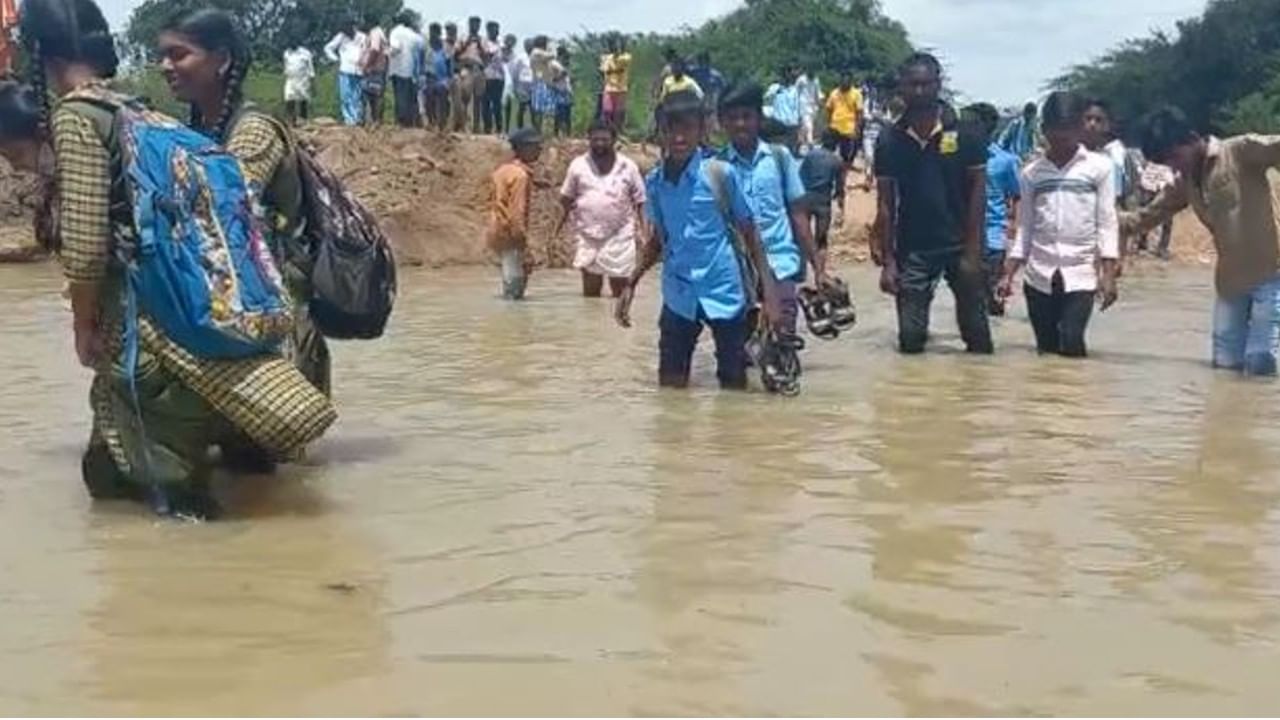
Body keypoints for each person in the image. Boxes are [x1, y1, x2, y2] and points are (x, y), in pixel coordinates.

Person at [22, 0, 334, 518]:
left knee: (170, 479)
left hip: (159, 315)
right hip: (211, 303)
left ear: (39, 51)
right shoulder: (135, 109)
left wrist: (82, 324)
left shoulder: (78, 116)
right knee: (197, 456)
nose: (166, 66)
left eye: (178, 54)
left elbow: (84, 246)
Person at [160, 7, 333, 404]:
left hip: (277, 314)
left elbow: (218, 211)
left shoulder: (253, 131)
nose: (165, 66)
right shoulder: (199, 131)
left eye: (178, 54)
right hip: (237, 313)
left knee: (276, 454)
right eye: (163, 56)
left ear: (220, 60)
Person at [614, 91, 780, 390]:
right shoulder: (654, 182)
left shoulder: (720, 174)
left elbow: (751, 234)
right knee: (670, 388)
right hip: (679, 294)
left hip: (724, 291)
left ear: (701, 130)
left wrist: (770, 294)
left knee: (733, 386)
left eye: (687, 128)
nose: (678, 137)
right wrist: (631, 282)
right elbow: (658, 241)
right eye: (670, 130)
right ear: (660, 133)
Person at [1124, 107, 1280, 377]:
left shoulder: (1240, 151)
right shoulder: (1186, 182)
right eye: (1166, 162)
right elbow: (1147, 216)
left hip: (1272, 275)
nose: (1174, 166)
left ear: (1192, 138)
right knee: (1224, 367)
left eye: (1174, 156)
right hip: (1230, 283)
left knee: (1261, 363)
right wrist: (1100, 220)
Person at [873, 52, 993, 355]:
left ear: (938, 85)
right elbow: (885, 204)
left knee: (977, 337)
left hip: (959, 244)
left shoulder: (967, 133)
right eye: (912, 84)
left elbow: (978, 192)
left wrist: (974, 251)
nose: (919, 91)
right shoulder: (889, 140)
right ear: (901, 87)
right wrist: (888, 261)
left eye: (926, 84)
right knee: (911, 341)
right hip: (912, 249)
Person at [719, 83, 828, 394]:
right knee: (737, 363)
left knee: (780, 359)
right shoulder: (715, 167)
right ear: (722, 122)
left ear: (758, 118)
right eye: (733, 117)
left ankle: (784, 435)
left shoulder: (780, 160)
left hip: (780, 265)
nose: (741, 124)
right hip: (736, 274)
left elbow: (798, 216)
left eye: (747, 116)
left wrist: (818, 269)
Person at [999, 91, 1120, 358]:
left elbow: (1107, 223)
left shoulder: (1100, 168)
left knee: (1072, 341)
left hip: (1081, 273)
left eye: (1067, 132)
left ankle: (1073, 398)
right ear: (1043, 130)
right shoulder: (1032, 173)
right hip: (1039, 274)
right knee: (1046, 348)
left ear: (1079, 128)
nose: (1061, 140)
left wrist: (1108, 274)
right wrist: (1008, 273)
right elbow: (1026, 227)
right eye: (1054, 133)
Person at [556, 119, 646, 297]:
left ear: (614, 140)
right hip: (588, 235)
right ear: (588, 140)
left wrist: (644, 232)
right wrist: (555, 233)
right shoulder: (578, 166)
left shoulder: (628, 167)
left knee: (620, 292)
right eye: (595, 139)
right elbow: (565, 200)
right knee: (590, 295)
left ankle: (615, 324)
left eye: (604, 140)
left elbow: (641, 202)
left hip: (620, 235)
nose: (599, 144)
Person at [964, 102, 1021, 316]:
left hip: (994, 236)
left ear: (988, 125)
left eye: (972, 123)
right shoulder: (959, 157)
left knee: (994, 300)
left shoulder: (1005, 161)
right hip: (965, 235)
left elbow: (1017, 195)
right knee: (969, 299)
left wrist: (1014, 226)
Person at [488, 128, 542, 300]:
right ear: (523, 148)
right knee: (514, 292)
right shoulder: (521, 176)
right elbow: (517, 214)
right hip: (512, 235)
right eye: (536, 146)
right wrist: (524, 246)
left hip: (497, 231)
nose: (540, 150)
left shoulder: (502, 171)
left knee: (509, 281)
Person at [799, 130, 846, 271]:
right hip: (823, 201)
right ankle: (820, 274)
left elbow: (801, 175)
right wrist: (841, 204)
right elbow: (839, 187)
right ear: (836, 144)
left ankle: (801, 271)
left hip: (806, 198)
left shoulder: (811, 155)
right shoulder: (837, 161)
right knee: (821, 241)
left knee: (802, 236)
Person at [324, 19, 366, 126]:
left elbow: (366, 51)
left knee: (357, 96)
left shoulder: (362, 37)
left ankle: (357, 119)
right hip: (345, 70)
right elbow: (328, 48)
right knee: (346, 96)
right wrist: (336, 59)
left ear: (354, 26)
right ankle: (349, 120)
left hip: (358, 70)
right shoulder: (341, 37)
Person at [387, 12, 423, 128]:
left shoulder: (395, 32)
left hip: (398, 69)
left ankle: (401, 122)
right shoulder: (413, 34)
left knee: (400, 97)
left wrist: (387, 53)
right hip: (411, 70)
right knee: (410, 98)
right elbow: (421, 45)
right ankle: (412, 122)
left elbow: (396, 47)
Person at [1137, 155, 1176, 258]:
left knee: (1165, 219)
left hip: (1158, 186)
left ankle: (1160, 247)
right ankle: (1145, 245)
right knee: (1147, 216)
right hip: (1151, 186)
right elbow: (1141, 167)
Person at [453, 16, 487, 133]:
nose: (475, 26)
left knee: (478, 100)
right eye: (473, 23)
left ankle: (476, 127)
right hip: (466, 68)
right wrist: (467, 43)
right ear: (469, 24)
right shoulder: (462, 37)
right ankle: (464, 126)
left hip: (479, 69)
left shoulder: (483, 39)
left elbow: (486, 56)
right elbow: (456, 53)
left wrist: (480, 45)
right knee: (465, 98)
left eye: (477, 24)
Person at [825, 73, 863, 171]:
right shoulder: (834, 93)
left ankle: (843, 173)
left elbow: (859, 112)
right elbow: (829, 109)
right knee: (830, 151)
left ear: (851, 82)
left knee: (845, 153)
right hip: (834, 126)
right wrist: (828, 124)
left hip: (848, 128)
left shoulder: (856, 94)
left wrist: (857, 128)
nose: (845, 83)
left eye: (847, 81)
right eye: (843, 80)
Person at [599, 35, 632, 134]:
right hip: (609, 88)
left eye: (617, 46)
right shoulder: (606, 59)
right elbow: (602, 71)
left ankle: (618, 132)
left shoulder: (625, 58)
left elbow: (627, 59)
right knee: (607, 111)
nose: (616, 48)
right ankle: (609, 130)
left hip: (621, 89)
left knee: (619, 113)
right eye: (613, 46)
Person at [360, 13, 388, 125]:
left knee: (374, 95)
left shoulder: (375, 33)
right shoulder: (378, 32)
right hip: (377, 68)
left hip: (374, 69)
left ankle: (375, 120)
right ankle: (375, 120)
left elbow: (375, 50)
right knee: (374, 94)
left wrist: (368, 65)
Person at [765, 67, 802, 154]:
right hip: (779, 122)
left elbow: (796, 106)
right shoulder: (775, 88)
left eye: (789, 75)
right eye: (785, 75)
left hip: (792, 122)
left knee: (791, 150)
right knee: (780, 149)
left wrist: (799, 121)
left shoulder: (794, 90)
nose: (787, 77)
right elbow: (766, 98)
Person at [422, 29, 452, 130]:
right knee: (428, 98)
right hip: (429, 78)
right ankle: (431, 121)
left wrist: (448, 80)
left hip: (442, 79)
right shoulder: (426, 47)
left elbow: (449, 65)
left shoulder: (445, 48)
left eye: (435, 34)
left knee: (443, 100)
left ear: (439, 34)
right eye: (431, 33)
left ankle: (442, 124)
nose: (433, 36)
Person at [688, 51, 724, 132]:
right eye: (701, 61)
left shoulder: (715, 75)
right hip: (697, 99)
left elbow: (722, 88)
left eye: (705, 61)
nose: (703, 64)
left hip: (711, 99)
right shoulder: (694, 72)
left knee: (711, 117)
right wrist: (690, 58)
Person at [281, 42, 314, 126]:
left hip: (303, 79)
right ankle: (291, 120)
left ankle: (303, 119)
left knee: (303, 99)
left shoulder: (305, 53)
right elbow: (285, 66)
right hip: (291, 78)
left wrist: (312, 80)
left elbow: (310, 68)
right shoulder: (286, 53)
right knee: (289, 98)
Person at [481, 21, 505, 134]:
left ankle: (499, 128)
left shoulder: (501, 43)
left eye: (497, 29)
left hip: (499, 77)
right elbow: (486, 54)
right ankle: (487, 128)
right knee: (485, 103)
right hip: (487, 76)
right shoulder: (484, 42)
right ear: (488, 30)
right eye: (493, 29)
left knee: (497, 104)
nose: (496, 31)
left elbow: (506, 58)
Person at [529, 36, 555, 134]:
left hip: (542, 82)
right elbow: (553, 55)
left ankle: (541, 131)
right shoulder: (537, 52)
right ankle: (538, 131)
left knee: (542, 110)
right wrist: (552, 46)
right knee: (540, 110)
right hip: (540, 83)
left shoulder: (537, 53)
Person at [507, 36, 534, 131]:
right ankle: (520, 129)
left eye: (531, 44)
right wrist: (515, 86)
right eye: (528, 45)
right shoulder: (520, 57)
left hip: (533, 86)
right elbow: (514, 71)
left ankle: (535, 130)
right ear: (525, 46)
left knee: (533, 109)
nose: (529, 46)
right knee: (522, 108)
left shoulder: (536, 57)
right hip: (522, 86)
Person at [796, 67, 821, 151]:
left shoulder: (816, 80)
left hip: (812, 107)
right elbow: (796, 92)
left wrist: (818, 105)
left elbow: (817, 93)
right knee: (808, 127)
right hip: (803, 106)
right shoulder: (801, 80)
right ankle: (811, 144)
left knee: (804, 129)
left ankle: (798, 145)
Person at [550, 45, 573, 138]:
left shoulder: (565, 65)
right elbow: (551, 80)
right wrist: (561, 75)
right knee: (559, 115)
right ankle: (556, 134)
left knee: (567, 115)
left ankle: (568, 135)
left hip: (566, 92)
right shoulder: (554, 65)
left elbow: (567, 80)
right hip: (558, 92)